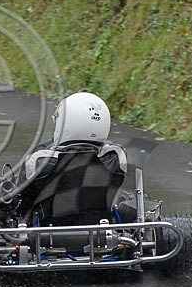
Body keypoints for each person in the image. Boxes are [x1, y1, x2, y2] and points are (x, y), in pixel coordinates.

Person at [17, 92, 127, 226]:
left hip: (46, 238)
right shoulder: (115, 157)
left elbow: (20, 201)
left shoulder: (40, 160)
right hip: (102, 235)